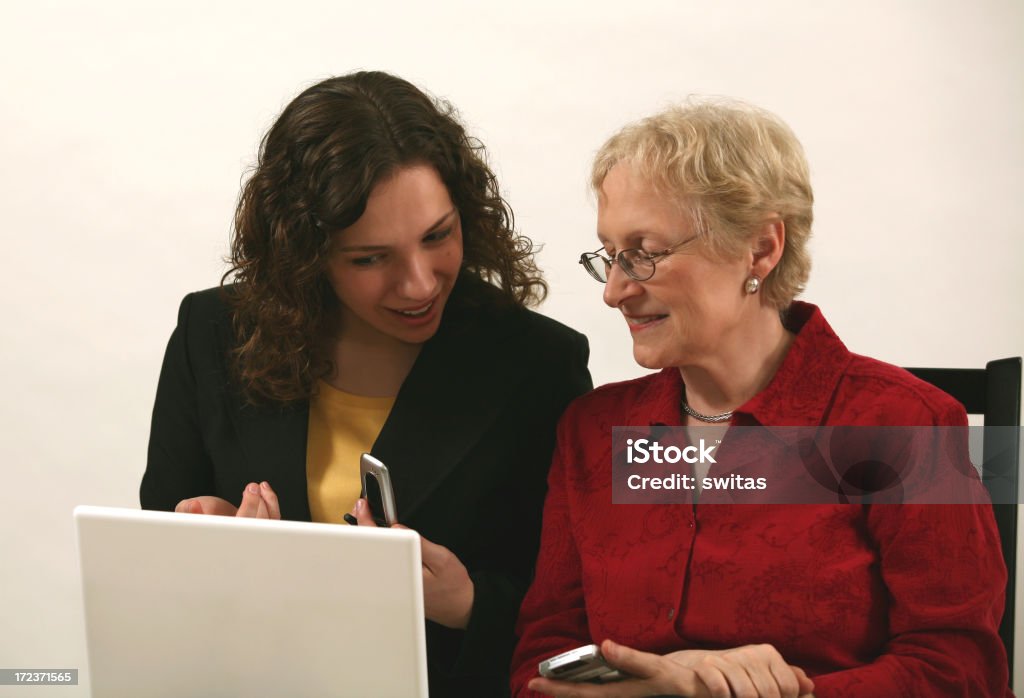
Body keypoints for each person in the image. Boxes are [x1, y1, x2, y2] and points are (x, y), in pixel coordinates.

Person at [510, 100, 1010, 697]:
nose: (616, 290)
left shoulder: (907, 425)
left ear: (761, 249)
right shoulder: (592, 430)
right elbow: (541, 654)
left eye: (645, 251)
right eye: (611, 255)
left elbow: (964, 674)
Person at [140, 71, 592, 696]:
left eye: (438, 236)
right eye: (370, 258)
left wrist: (469, 603)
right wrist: (205, 542)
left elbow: (576, 608)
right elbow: (150, 563)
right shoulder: (211, 332)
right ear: (305, 255)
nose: (420, 284)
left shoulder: (539, 363)